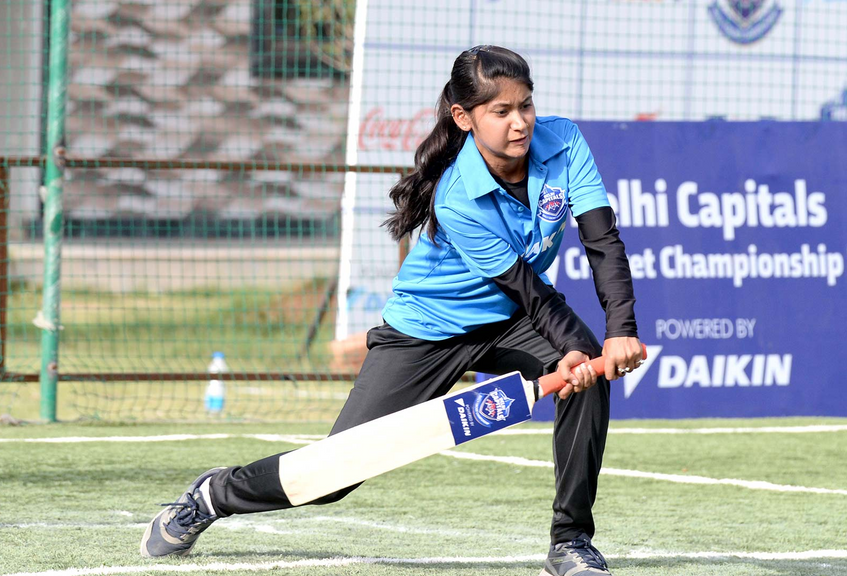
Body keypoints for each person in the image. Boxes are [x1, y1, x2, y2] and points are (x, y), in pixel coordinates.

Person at [140, 45, 643, 576]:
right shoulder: (457, 195)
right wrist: (572, 345)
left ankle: (570, 542)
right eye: (501, 111)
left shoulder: (563, 140)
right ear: (464, 118)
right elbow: (527, 288)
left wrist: (618, 332)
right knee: (333, 477)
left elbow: (602, 240)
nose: (519, 123)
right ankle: (213, 495)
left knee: (587, 372)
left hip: (510, 322)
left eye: (526, 105)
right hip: (425, 332)